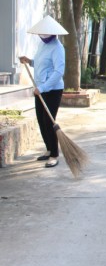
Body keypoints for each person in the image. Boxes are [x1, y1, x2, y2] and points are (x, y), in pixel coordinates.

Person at [19, 16, 68, 168]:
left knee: (49, 121)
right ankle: (48, 149)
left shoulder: (57, 48)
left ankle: (54, 154)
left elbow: (58, 71)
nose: (43, 37)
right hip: (40, 89)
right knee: (41, 120)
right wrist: (29, 61)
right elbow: (41, 63)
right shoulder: (42, 45)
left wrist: (43, 87)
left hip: (52, 90)